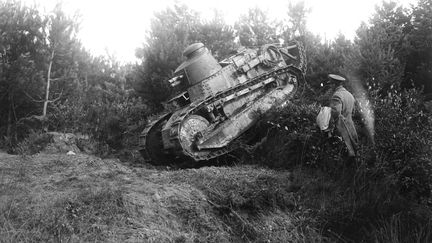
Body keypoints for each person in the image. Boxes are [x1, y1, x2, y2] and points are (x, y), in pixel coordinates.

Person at [327, 74, 359, 157]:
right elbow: (353, 113)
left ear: (334, 84)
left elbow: (335, 114)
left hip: (341, 129)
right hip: (351, 128)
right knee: (352, 153)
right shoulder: (350, 95)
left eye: (331, 84)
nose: (330, 86)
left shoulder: (337, 95)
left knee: (339, 153)